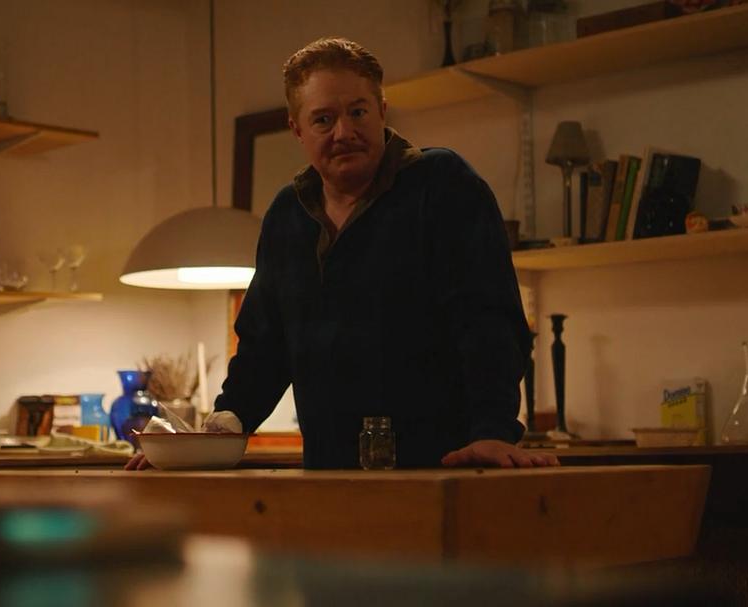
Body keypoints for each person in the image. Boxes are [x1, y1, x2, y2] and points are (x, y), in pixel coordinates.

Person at [128, 37, 557, 470]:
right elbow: (263, 348)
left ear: (382, 111)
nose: (344, 132)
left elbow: (488, 319)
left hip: (444, 467)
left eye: (358, 112)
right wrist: (205, 445)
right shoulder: (287, 214)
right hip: (328, 474)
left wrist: (492, 431)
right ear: (297, 129)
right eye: (323, 119)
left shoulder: (442, 184)